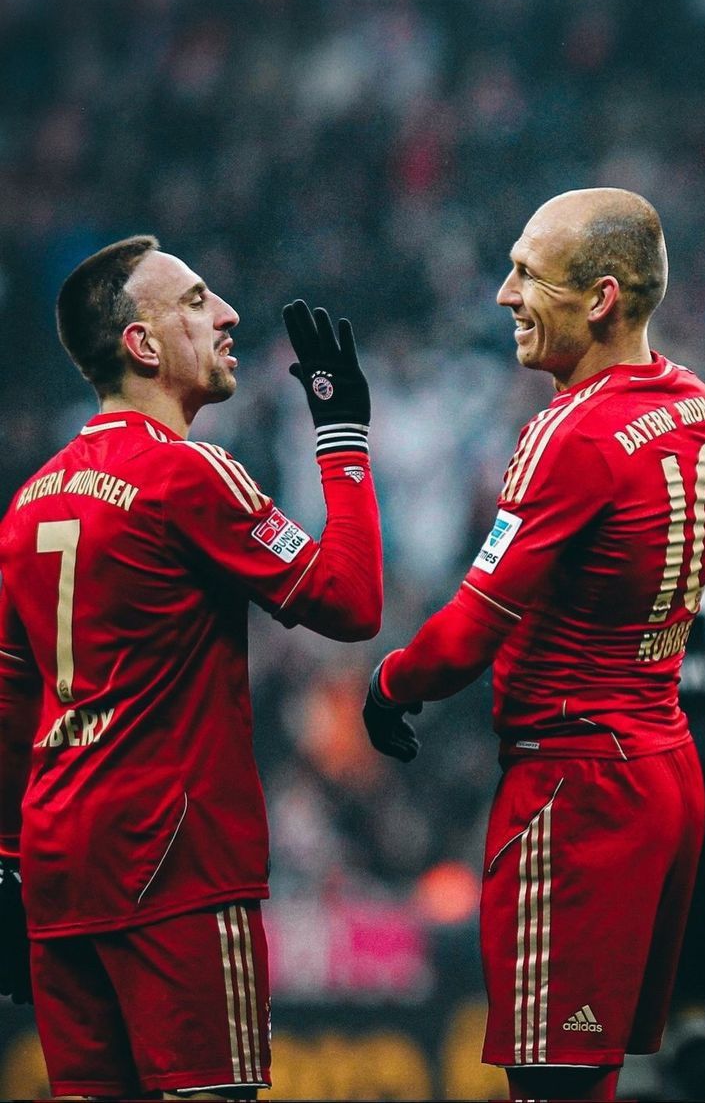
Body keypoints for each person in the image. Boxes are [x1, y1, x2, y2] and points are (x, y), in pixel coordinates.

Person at [363, 188, 705, 1103]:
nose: (503, 294)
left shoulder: (570, 432)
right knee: (602, 1075)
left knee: (553, 1083)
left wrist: (390, 681)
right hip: (664, 765)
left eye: (528, 272)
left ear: (601, 298)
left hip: (576, 788)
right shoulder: (698, 404)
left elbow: (465, 637)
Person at [0, 235, 382, 1100]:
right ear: (142, 345)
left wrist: (7, 862)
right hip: (176, 867)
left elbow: (10, 698)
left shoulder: (28, 502)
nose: (228, 314)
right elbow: (352, 602)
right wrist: (345, 439)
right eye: (196, 300)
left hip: (58, 873)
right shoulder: (185, 474)